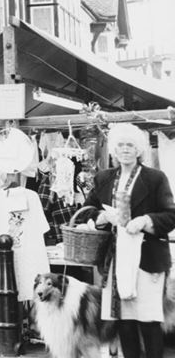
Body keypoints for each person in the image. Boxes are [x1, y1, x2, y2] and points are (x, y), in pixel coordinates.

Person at [86, 123, 175, 358]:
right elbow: (87, 209)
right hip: (115, 260)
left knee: (148, 319)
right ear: (114, 150)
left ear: (139, 150)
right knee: (124, 321)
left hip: (147, 258)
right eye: (121, 145)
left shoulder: (155, 178)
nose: (125, 150)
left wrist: (145, 221)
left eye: (130, 145)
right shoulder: (103, 178)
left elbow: (171, 216)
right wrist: (102, 216)